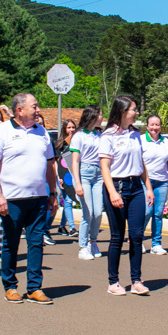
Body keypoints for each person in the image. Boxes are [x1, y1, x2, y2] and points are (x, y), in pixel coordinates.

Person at [0, 92, 56, 304]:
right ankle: (10, 285)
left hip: (38, 198)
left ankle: (34, 288)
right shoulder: (2, 132)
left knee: (36, 243)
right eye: (34, 106)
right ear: (19, 110)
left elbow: (51, 164)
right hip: (12, 199)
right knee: (11, 244)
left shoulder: (42, 132)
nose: (38, 110)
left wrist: (52, 193)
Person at [100, 95, 154, 296]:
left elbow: (140, 164)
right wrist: (113, 192)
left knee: (137, 236)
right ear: (122, 112)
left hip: (136, 187)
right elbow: (104, 167)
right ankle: (113, 282)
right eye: (133, 109)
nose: (137, 113)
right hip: (117, 186)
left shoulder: (135, 134)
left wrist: (148, 187)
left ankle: (136, 281)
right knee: (117, 237)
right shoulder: (108, 136)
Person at [70, 105, 104, 261]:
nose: (102, 118)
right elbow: (75, 161)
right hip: (84, 173)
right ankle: (83, 247)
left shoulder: (99, 135)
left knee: (97, 213)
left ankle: (93, 242)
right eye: (100, 115)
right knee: (88, 213)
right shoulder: (78, 136)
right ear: (93, 116)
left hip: (98, 174)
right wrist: (77, 183)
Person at [140, 114, 168, 255]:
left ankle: (156, 244)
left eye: (157, 125)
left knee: (158, 213)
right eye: (152, 125)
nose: (155, 127)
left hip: (161, 182)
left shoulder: (166, 142)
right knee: (146, 212)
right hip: (144, 182)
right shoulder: (141, 140)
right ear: (147, 126)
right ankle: (138, 239)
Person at [51, 119, 79, 238]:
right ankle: (72, 227)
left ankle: (62, 226)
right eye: (69, 127)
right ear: (64, 129)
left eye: (73, 127)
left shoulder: (77, 142)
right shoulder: (60, 144)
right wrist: (58, 177)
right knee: (67, 200)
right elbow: (56, 162)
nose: (71, 130)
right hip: (63, 177)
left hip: (73, 175)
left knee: (69, 200)